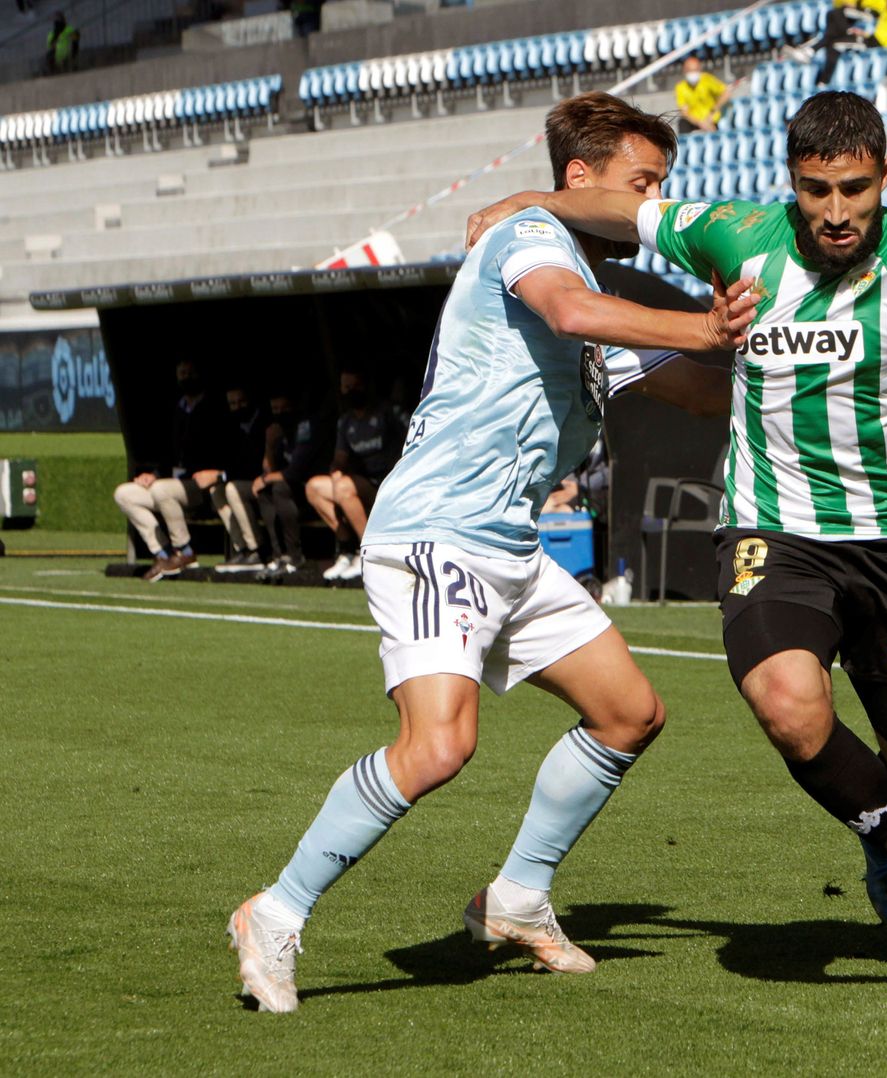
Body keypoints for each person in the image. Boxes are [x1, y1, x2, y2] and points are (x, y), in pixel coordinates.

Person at [465, 90, 887, 966]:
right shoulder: (739, 232)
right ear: (792, 183)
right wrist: (535, 201)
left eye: (855, 189)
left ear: (886, 177)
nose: (837, 212)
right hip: (770, 531)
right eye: (816, 191)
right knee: (788, 702)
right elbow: (629, 211)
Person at [226, 91, 755, 1014]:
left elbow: (704, 394)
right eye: (643, 184)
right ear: (580, 179)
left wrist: (789, 343)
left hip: (506, 547)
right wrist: (703, 326)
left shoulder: (593, 291)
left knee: (629, 713)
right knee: (438, 747)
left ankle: (514, 898)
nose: (652, 205)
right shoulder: (530, 243)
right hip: (436, 533)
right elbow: (574, 313)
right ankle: (274, 911)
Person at [111, 359, 229, 582]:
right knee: (124, 494)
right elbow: (169, 454)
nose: (186, 378)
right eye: (182, 373)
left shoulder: (214, 409)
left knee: (162, 490)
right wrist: (152, 475)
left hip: (200, 484)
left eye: (190, 373)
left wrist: (215, 472)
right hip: (171, 483)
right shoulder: (177, 409)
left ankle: (184, 551)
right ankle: (163, 553)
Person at [306, 369, 405, 582]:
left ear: (365, 386)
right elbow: (340, 458)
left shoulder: (386, 413)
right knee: (315, 487)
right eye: (346, 388)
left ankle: (368, 555)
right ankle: (347, 549)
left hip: (389, 483)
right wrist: (336, 471)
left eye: (355, 387)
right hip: (362, 482)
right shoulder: (346, 422)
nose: (351, 392)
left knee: (343, 487)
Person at [253, 391, 328, 577]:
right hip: (290, 489)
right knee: (265, 492)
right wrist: (269, 445)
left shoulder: (306, 426)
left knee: (279, 488)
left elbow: (295, 472)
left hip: (312, 488)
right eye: (275, 409)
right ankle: (279, 555)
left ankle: (295, 557)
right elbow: (267, 469)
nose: (280, 413)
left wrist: (264, 480)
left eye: (284, 408)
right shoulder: (278, 432)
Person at [214, 385, 268, 574]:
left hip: (263, 482)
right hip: (244, 481)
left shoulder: (263, 422)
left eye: (241, 402)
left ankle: (256, 550)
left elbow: (253, 463)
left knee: (231, 488)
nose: (237, 407)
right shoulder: (231, 425)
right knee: (217, 491)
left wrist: (222, 475)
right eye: (232, 404)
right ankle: (242, 548)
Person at [675, 56, 730, 135]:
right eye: (690, 70)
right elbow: (685, 112)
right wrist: (700, 123)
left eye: (695, 70)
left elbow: (725, 93)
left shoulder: (707, 79)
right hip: (695, 122)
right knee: (682, 123)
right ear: (685, 71)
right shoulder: (680, 87)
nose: (693, 73)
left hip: (712, 119)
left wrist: (713, 111)